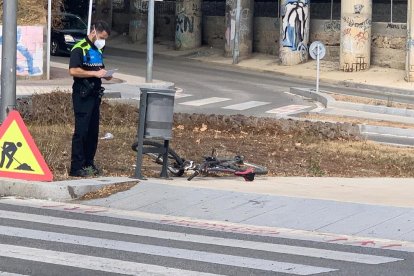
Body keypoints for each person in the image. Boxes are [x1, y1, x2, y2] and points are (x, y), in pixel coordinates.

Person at [69, 21, 111, 177]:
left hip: (95, 94)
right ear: (94, 32)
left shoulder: (97, 49)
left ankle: (88, 163)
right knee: (82, 131)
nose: (103, 41)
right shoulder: (79, 48)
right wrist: (93, 74)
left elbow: (99, 68)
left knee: (93, 131)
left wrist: (106, 74)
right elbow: (73, 70)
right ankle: (76, 167)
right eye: (101, 37)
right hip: (82, 93)